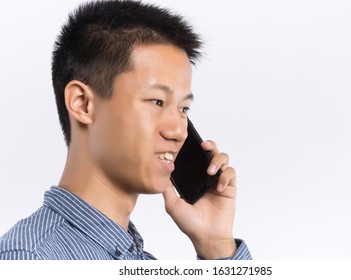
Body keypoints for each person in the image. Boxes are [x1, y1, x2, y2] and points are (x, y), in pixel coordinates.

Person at [0, 0, 251, 260]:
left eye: (183, 109)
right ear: (82, 103)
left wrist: (216, 245)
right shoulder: (28, 259)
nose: (179, 131)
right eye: (157, 102)